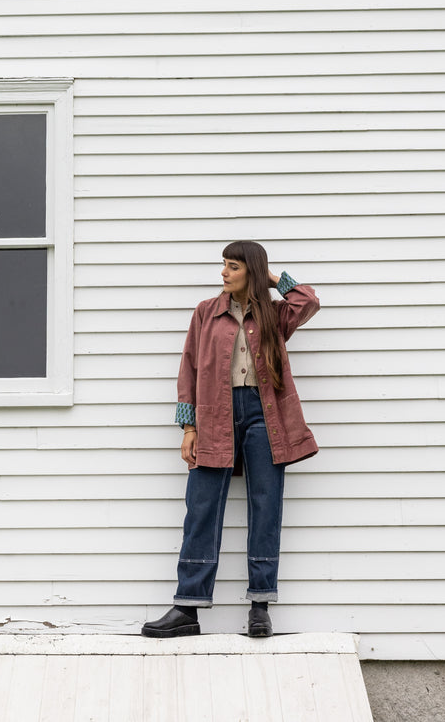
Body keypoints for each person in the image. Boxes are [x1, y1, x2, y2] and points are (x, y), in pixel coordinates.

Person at [142, 239, 320, 639]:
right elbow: (189, 368)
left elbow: (307, 300)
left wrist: (271, 278)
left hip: (266, 415)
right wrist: (188, 427)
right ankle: (187, 606)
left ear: (251, 273)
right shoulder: (207, 312)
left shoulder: (274, 314)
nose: (224, 273)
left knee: (265, 505)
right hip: (214, 415)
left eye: (234, 267)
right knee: (201, 507)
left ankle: (260, 606)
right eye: (223, 265)